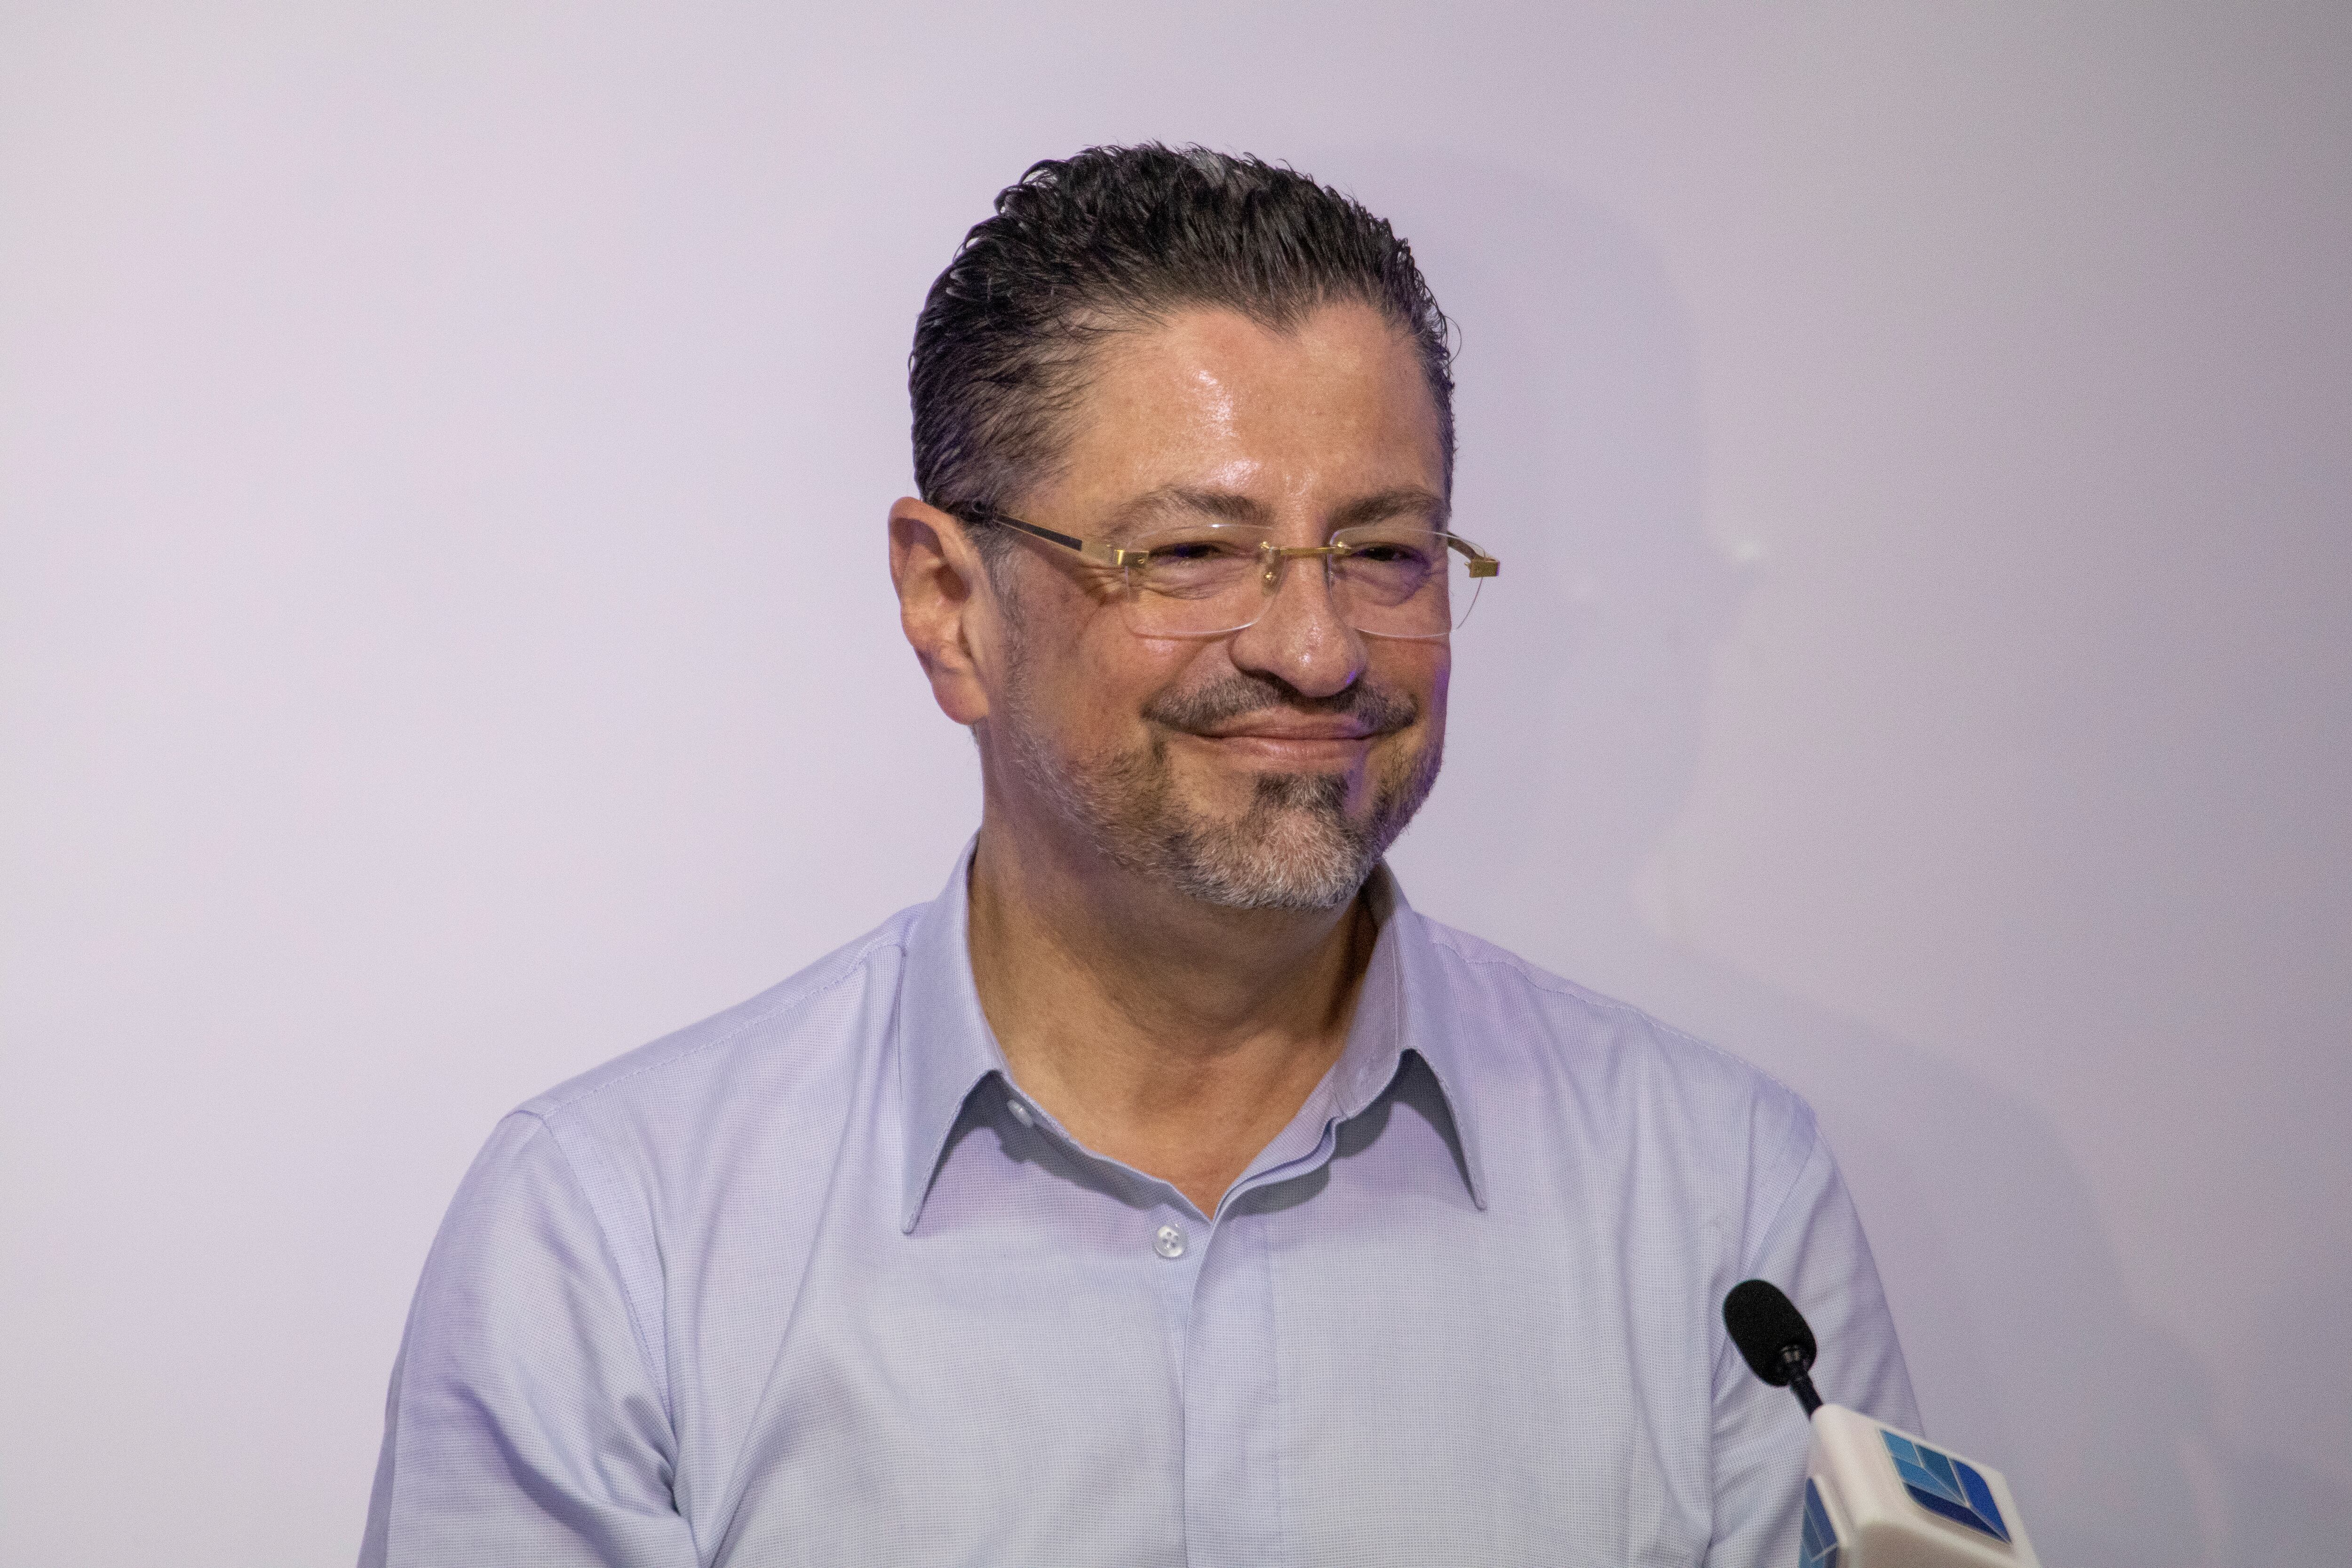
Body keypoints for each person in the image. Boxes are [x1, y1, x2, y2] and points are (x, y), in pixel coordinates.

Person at [360, 144, 1917, 1568]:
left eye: (1383, 551)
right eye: (1191, 554)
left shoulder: (1720, 1210)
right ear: (948, 604)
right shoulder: (614, 1240)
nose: (1318, 651)